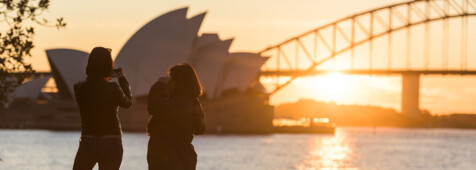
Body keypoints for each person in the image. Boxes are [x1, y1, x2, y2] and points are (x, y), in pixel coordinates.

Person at [72, 47, 133, 170]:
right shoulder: (113, 88)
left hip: (88, 140)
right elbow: (128, 102)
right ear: (108, 66)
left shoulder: (79, 88)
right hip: (111, 141)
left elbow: (94, 91)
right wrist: (122, 79)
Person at [147, 63, 205, 170]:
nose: (169, 82)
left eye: (171, 79)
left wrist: (159, 86)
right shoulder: (188, 102)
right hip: (176, 160)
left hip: (173, 162)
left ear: (180, 82)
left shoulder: (183, 103)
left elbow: (154, 107)